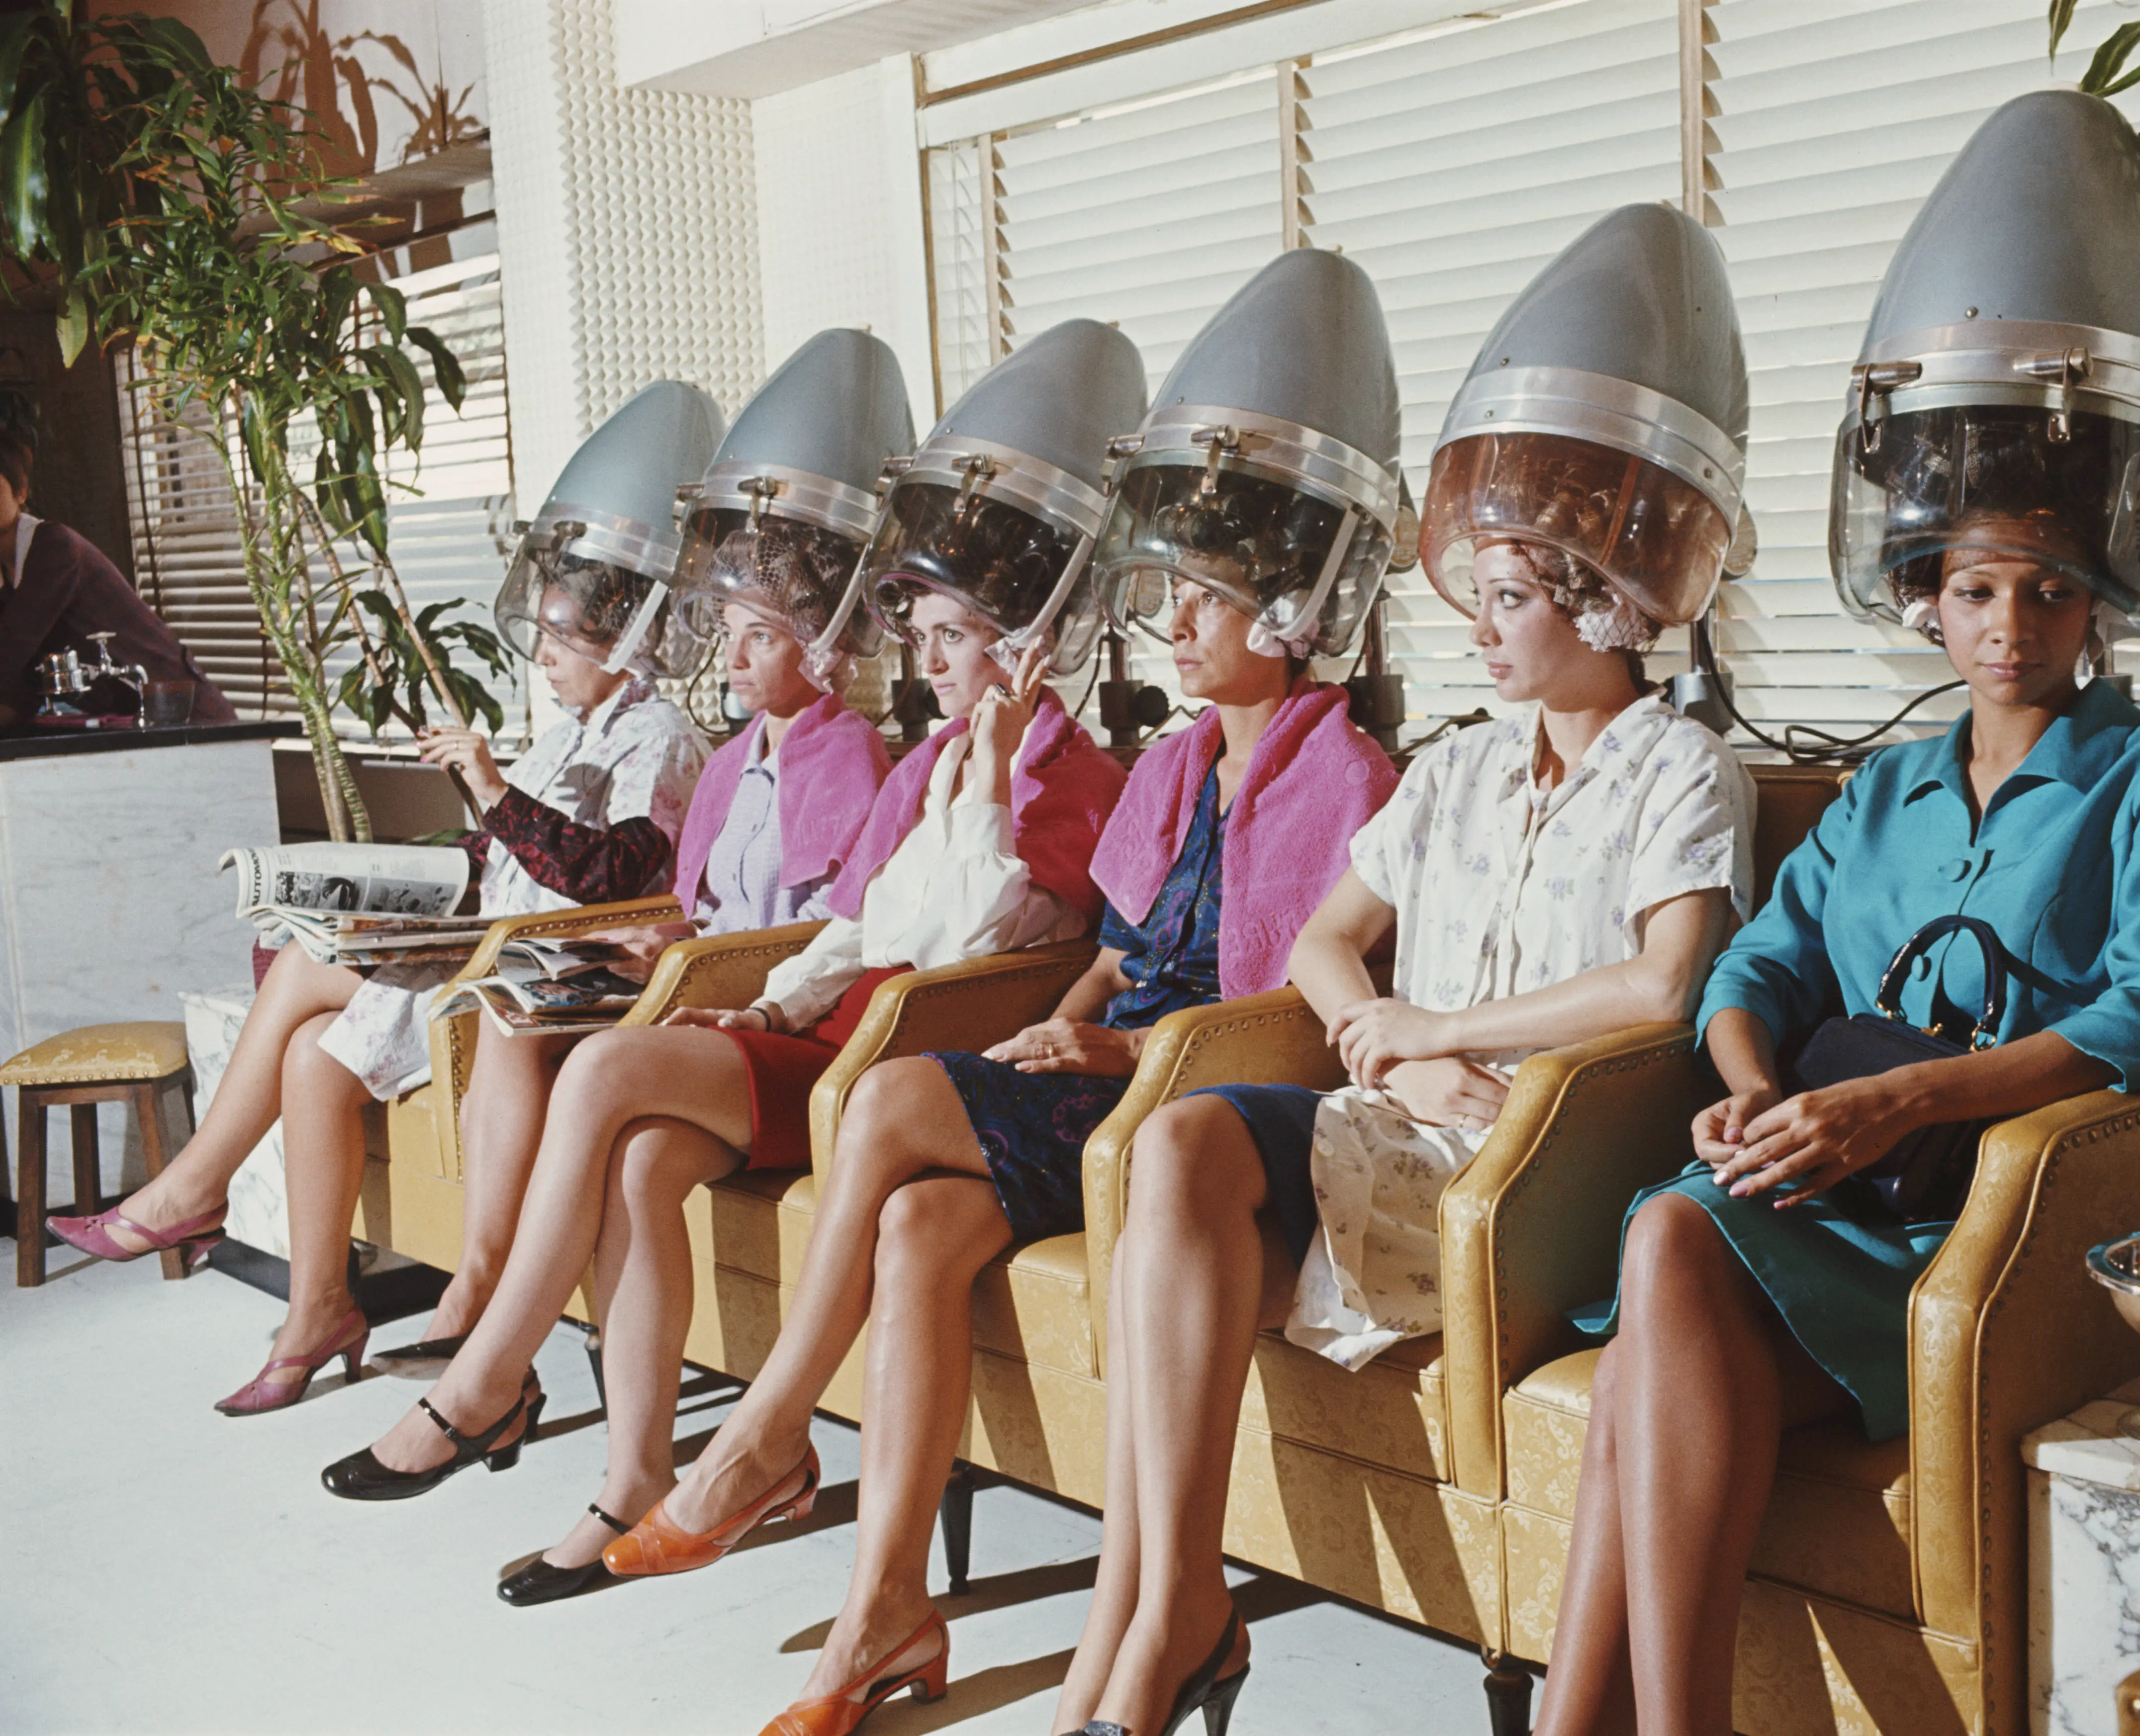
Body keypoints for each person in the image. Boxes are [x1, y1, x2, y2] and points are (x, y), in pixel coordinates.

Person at [1538, 93, 2140, 1731]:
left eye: (2051, 590)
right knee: (1667, 1235)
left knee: (1661, 1261)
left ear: (2100, 597)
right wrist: (1760, 1101)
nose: (2013, 627)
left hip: (1986, 1225)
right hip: (1821, 1201)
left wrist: (1906, 1097)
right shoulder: (1880, 794)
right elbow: (1747, 968)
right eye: (1979, 589)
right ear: (1929, 597)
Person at [632, 261, 1409, 1736]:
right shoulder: (1181, 759)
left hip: (1207, 1097)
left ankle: (764, 1433)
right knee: (921, 1222)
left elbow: (1286, 1016)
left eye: (1208, 596)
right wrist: (1083, 1002)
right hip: (1110, 1064)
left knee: (877, 1097)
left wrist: (1107, 1035)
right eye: (1169, 591)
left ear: (1298, 614)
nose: (1175, 623)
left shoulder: (1346, 774)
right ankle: (878, 1620)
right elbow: (1122, 934)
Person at [314, 322, 1151, 1627]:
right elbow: (858, 919)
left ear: (1025, 642)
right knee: (641, 1159)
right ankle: (629, 1475)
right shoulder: (929, 767)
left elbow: (992, 935)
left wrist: (988, 778)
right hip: (829, 1032)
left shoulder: (1069, 778)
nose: (928, 664)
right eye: (920, 634)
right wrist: (774, 996)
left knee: (601, 1068)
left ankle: (485, 1381)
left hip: (896, 1059)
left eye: (952, 638)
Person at [1058, 204, 1762, 1736]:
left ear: (1604, 601)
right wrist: (1379, 1039)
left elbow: (1660, 988)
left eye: (1514, 597)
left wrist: (1445, 1028)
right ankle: (1179, 1594)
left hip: (1549, 1150)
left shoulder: (1681, 771)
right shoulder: (1449, 766)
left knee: (1201, 1169)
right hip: (1407, 1110)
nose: (1484, 627)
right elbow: (1323, 938)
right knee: (1176, 1138)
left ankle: (1153, 1636)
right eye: (1483, 594)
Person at [46, 381, 721, 1416]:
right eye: (539, 635)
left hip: (545, 955)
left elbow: (616, 869)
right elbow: (504, 845)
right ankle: (315, 1306)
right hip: (493, 931)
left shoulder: (658, 736)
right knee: (314, 1059)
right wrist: (394, 881)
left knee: (311, 983)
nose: (539, 657)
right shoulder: (570, 730)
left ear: (621, 638)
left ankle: (193, 1191)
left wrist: (492, 788)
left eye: (560, 639)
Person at [372, 521, 891, 1367]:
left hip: (757, 999)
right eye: (728, 635)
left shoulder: (848, 756)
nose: (732, 659)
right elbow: (696, 902)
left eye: (760, 637)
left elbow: (834, 931)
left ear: (824, 647)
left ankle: (491, 1331)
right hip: (691, 972)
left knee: (578, 1069)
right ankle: (475, 1281)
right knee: (510, 1016)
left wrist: (691, 956)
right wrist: (654, 933)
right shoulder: (729, 761)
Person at [0, 398, 234, 726]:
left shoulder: (53, 547)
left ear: (21, 491)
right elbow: (17, 684)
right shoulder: (9, 570)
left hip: (182, 713)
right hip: (130, 723)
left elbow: (10, 649)